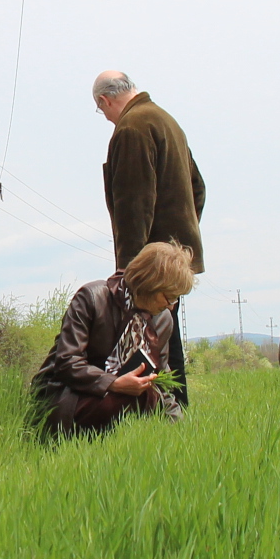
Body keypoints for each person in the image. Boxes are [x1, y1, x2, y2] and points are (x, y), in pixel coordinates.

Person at [95, 69, 205, 403]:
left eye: (101, 111)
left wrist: (130, 271)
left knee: (154, 339)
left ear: (104, 100)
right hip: (172, 258)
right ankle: (174, 412)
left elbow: (134, 203)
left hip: (151, 263)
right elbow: (198, 189)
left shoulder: (132, 127)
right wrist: (179, 249)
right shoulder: (166, 121)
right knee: (167, 336)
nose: (106, 117)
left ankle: (167, 411)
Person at [30, 242, 198, 437]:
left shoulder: (162, 321)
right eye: (169, 297)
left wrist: (180, 431)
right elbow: (67, 362)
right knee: (136, 399)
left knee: (149, 395)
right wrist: (114, 383)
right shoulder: (92, 298)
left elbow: (160, 378)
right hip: (69, 394)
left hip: (121, 398)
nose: (171, 306)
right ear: (150, 284)